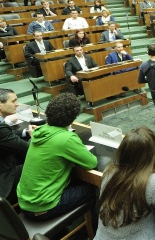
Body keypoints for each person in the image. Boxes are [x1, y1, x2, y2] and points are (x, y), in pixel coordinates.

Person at [17, 93, 98, 226]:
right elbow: (91, 162)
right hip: (43, 208)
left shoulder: (40, 131)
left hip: (25, 202)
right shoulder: (66, 138)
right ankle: (81, 238)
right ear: (73, 118)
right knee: (93, 188)